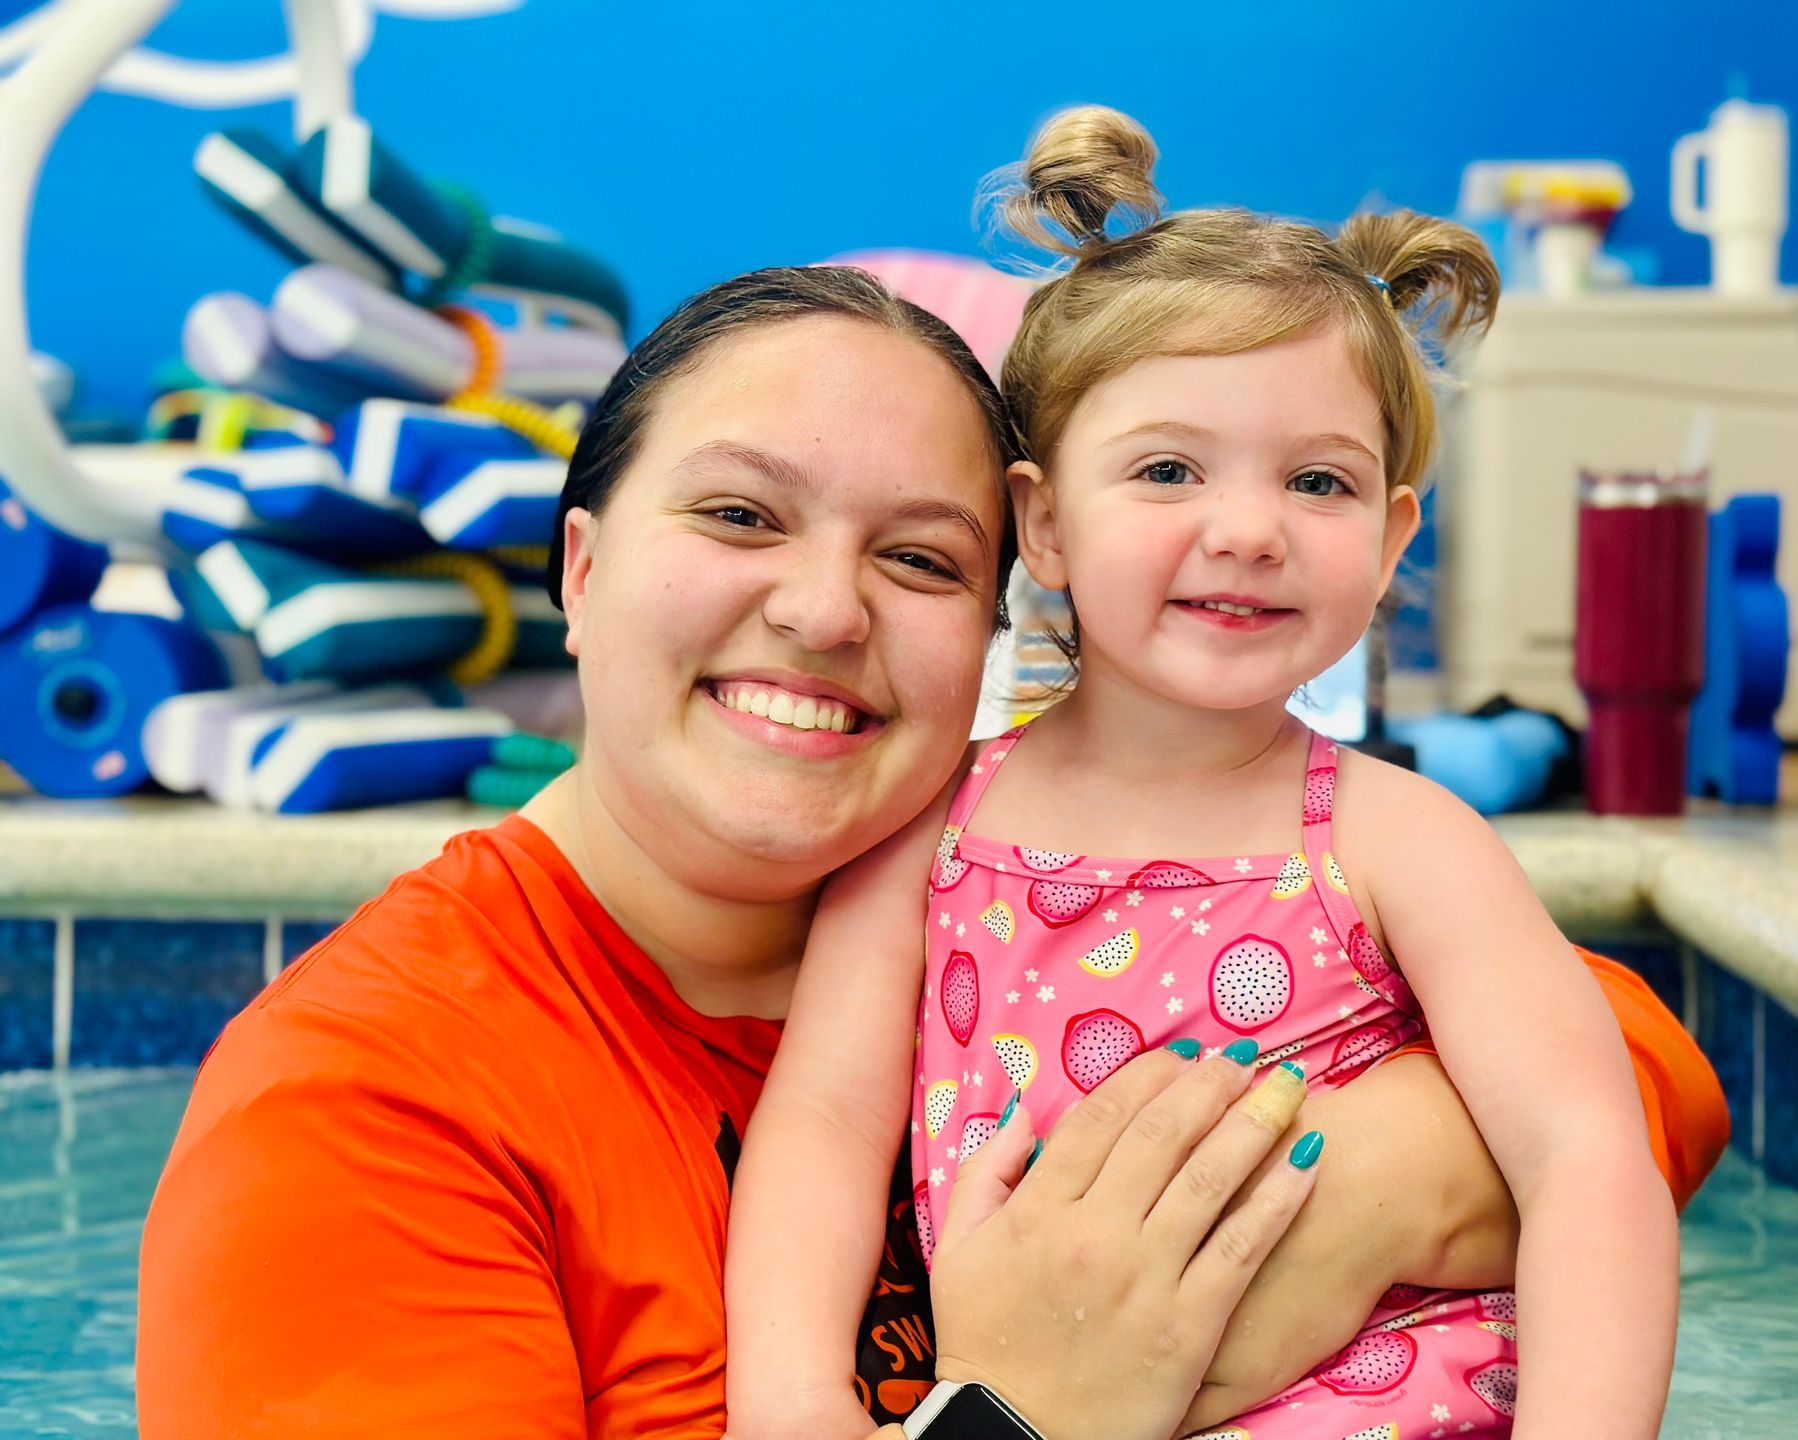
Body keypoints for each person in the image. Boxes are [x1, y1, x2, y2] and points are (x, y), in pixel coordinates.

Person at [136, 264, 1723, 1440]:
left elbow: (1643, 1070)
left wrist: (1361, 1194)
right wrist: (1025, 1410)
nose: (826, 613)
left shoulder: (1174, 857)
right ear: (584, 560)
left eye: (915, 557)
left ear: (995, 605)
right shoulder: (361, 1106)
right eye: (743, 518)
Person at [724, 108, 1705, 1440]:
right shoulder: (928, 837)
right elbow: (827, 1129)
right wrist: (790, 1402)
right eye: (1170, 469)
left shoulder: (1398, 843)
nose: (1249, 531)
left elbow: (1589, 1158)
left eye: (1319, 482)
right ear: (1046, 522)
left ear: (1391, 531)